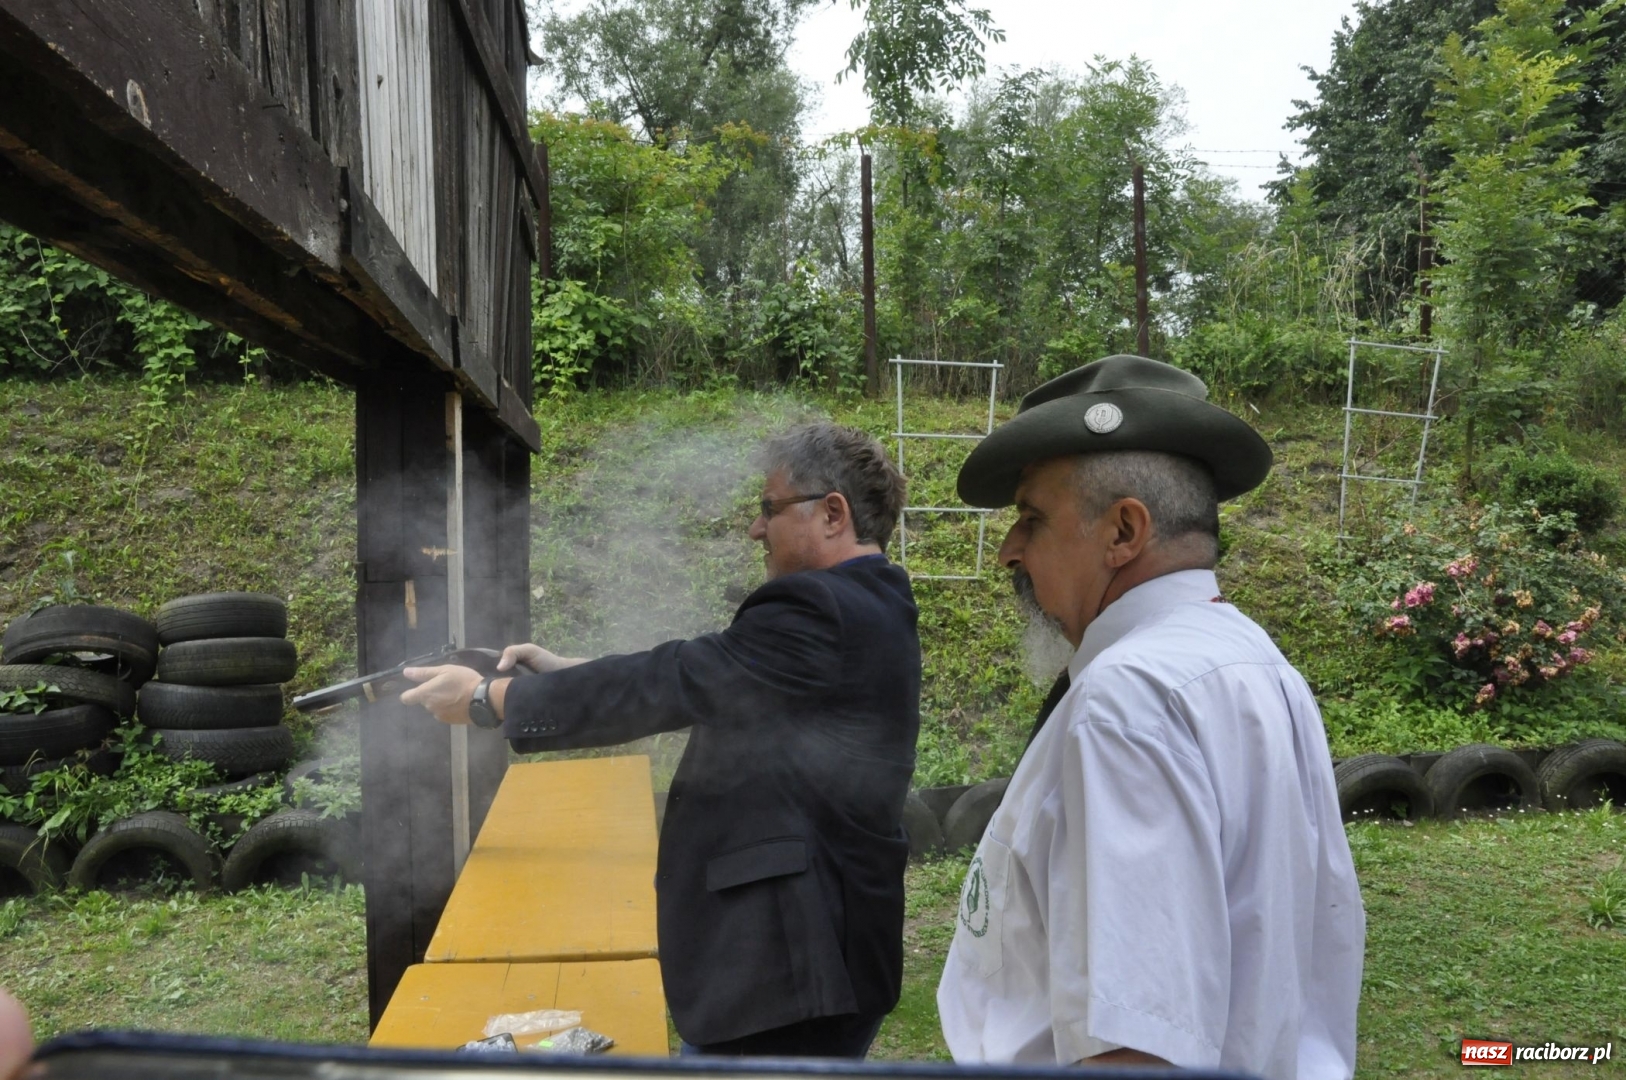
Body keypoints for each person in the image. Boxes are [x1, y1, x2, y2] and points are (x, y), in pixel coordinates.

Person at [403, 421, 921, 1058]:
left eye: (769, 509)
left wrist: (489, 699)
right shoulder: (865, 604)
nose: (756, 529)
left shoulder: (817, 608)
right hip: (814, 954)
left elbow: (675, 679)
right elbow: (706, 679)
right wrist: (567, 672)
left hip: (796, 966)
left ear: (833, 513)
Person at [937, 355, 1365, 1080]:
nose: (1009, 550)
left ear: (1123, 532)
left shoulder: (1128, 697)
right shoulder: (1253, 658)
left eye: (1032, 520)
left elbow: (1136, 1047)